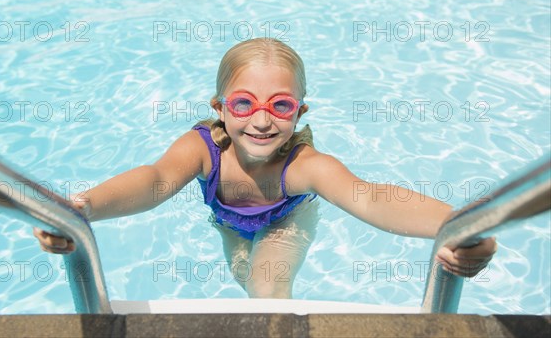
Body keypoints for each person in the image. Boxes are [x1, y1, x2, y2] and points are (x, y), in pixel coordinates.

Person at [34, 38, 497, 299]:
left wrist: (457, 226)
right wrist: (85, 206)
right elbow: (155, 181)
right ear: (220, 107)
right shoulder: (202, 150)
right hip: (230, 221)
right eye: (243, 104)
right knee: (244, 274)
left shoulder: (301, 166)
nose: (260, 120)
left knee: (266, 284)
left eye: (280, 105)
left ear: (299, 113)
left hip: (285, 220)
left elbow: (369, 197)